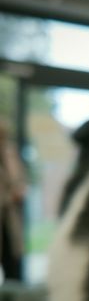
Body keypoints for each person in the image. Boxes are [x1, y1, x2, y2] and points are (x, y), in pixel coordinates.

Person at [0, 120, 25, 281]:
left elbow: (21, 180)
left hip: (10, 220)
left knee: (13, 267)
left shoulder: (10, 154)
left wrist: (20, 191)